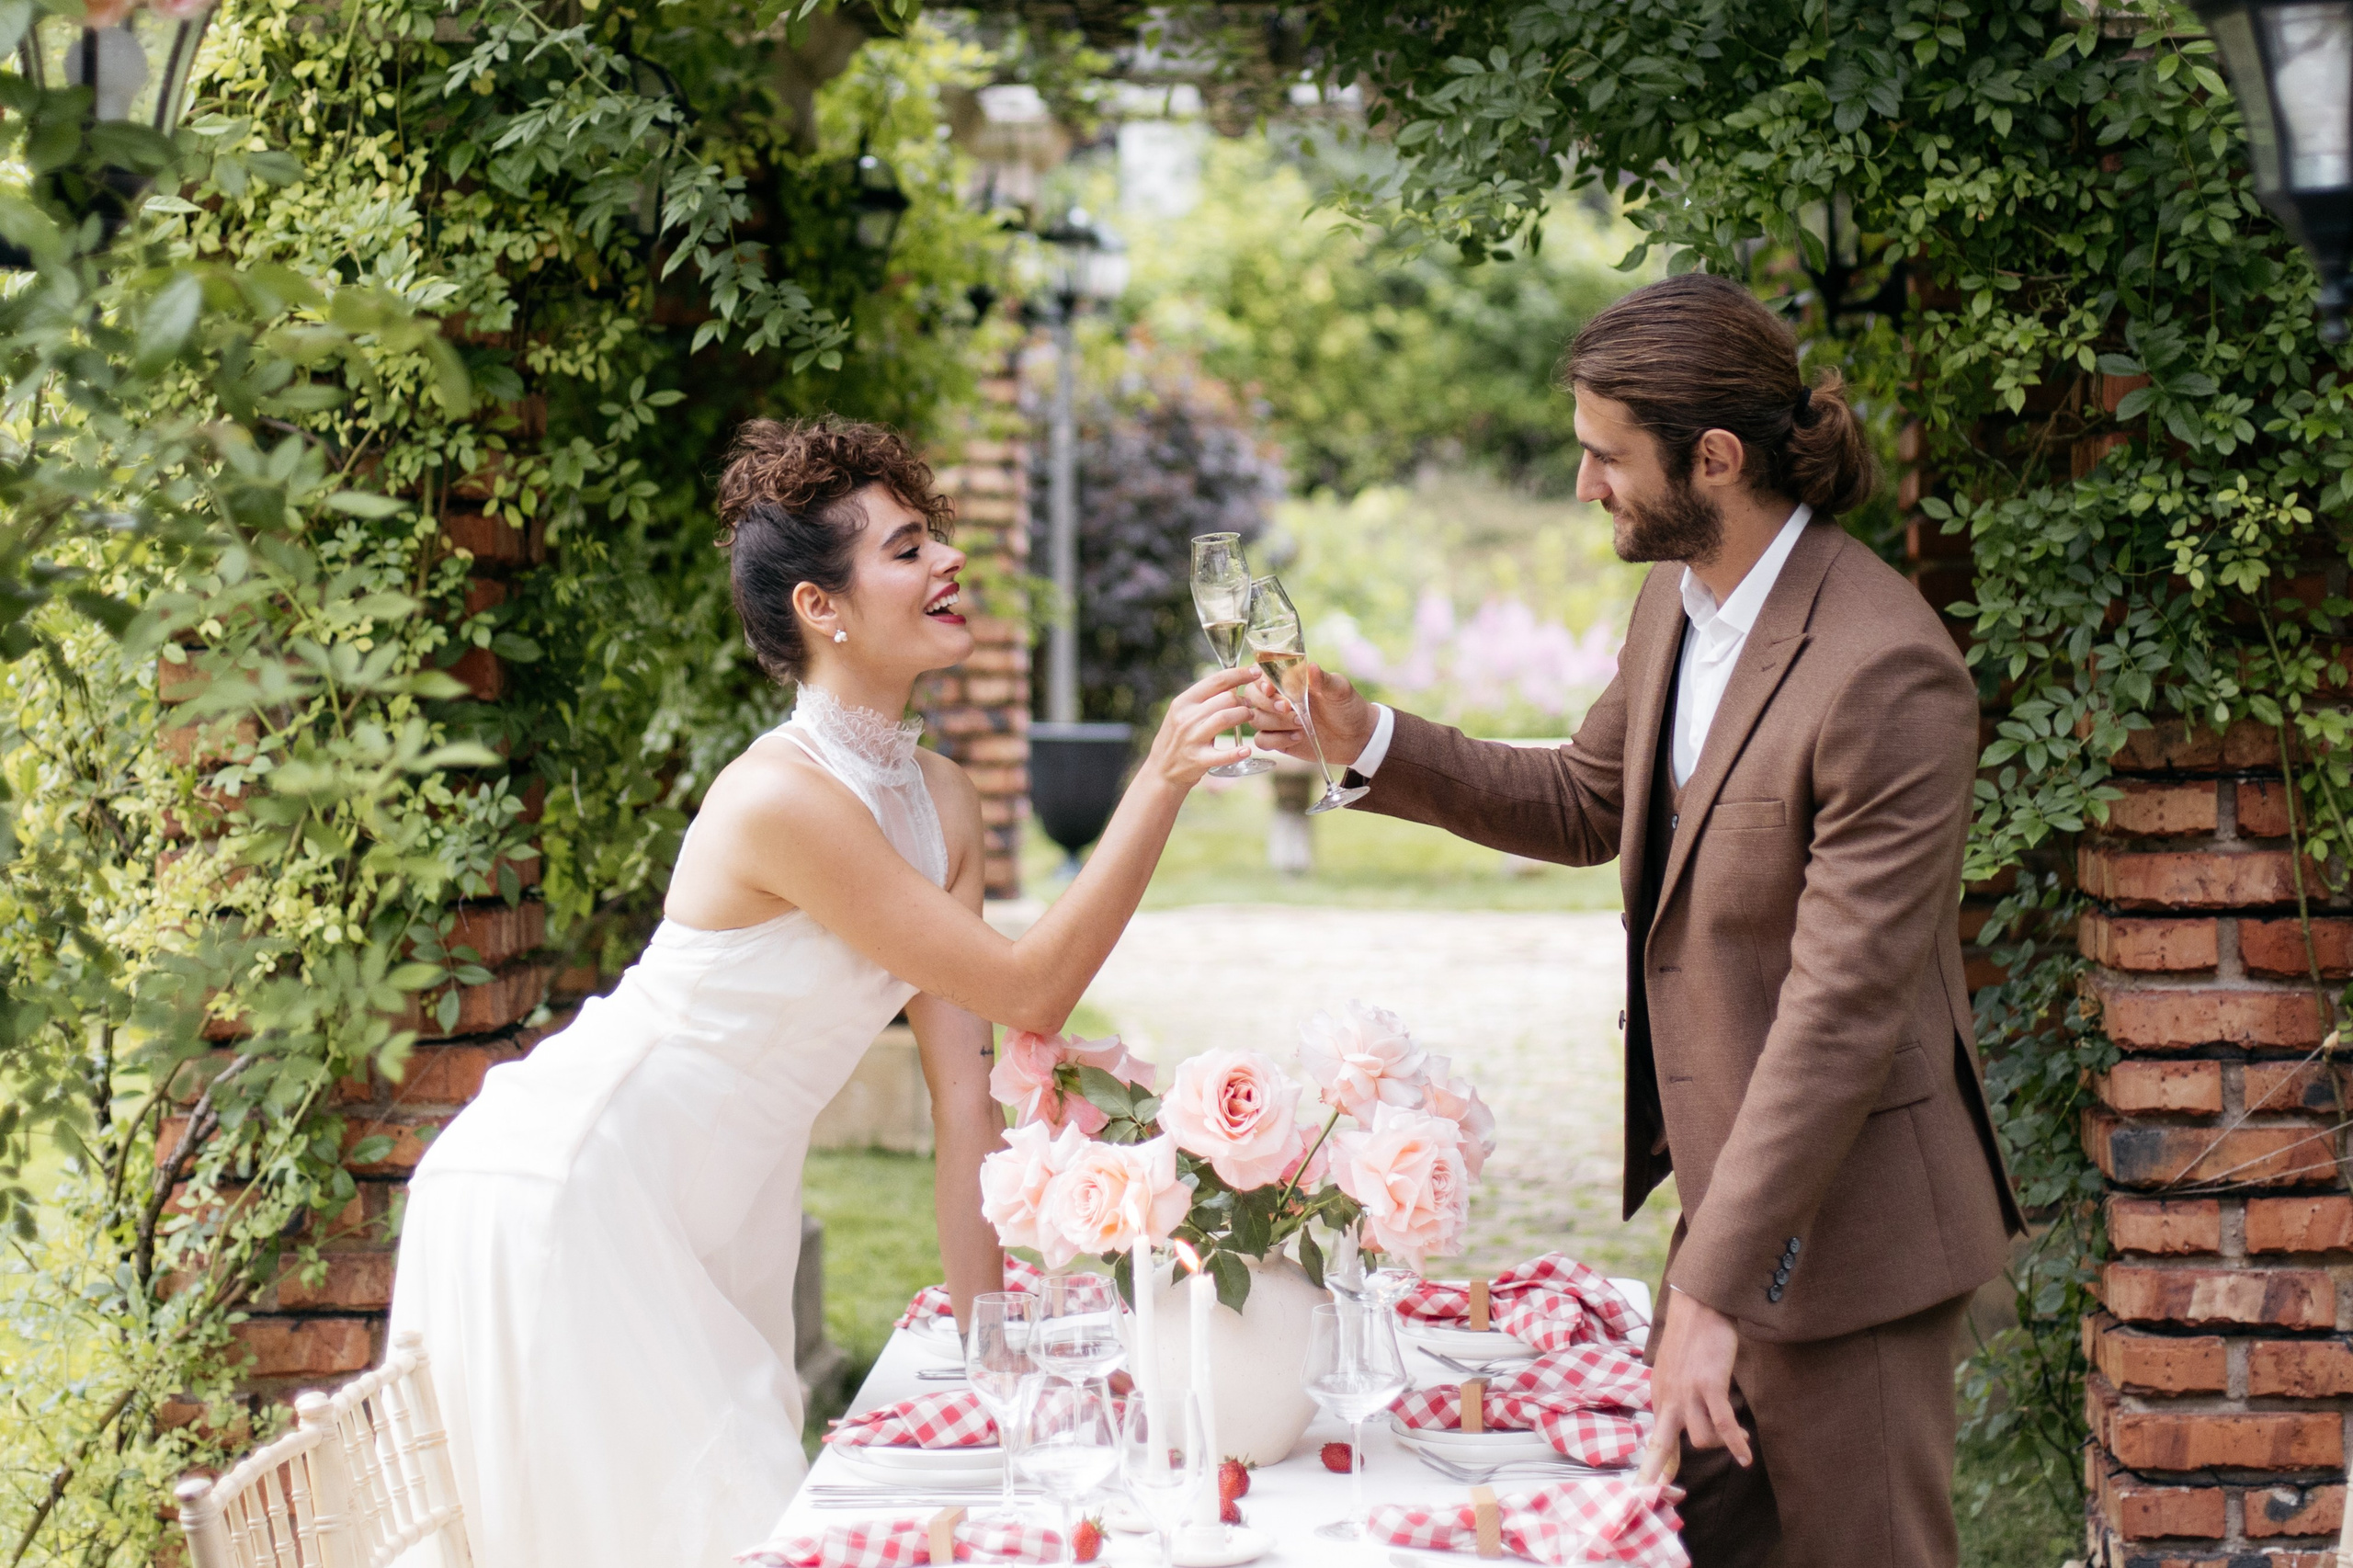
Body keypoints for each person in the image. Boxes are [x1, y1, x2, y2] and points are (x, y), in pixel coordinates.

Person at [1241, 273, 2022, 1568]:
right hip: (1732, 1217)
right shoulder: (1680, 600)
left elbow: (1839, 1014)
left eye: (1607, 457)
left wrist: (1711, 1288)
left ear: (1714, 459)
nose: (1585, 486)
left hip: (1851, 1240)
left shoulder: (1888, 670)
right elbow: (1584, 797)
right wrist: (1363, 734)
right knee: (1688, 1544)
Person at [389, 416, 1256, 1568]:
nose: (948, 561)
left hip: (715, 1205)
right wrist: (1159, 778)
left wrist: (990, 1358)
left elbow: (969, 1092)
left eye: (933, 536)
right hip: (576, 1185)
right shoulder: (780, 799)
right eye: (906, 548)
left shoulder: (941, 798)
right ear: (822, 606)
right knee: (692, 1528)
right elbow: (1032, 977)